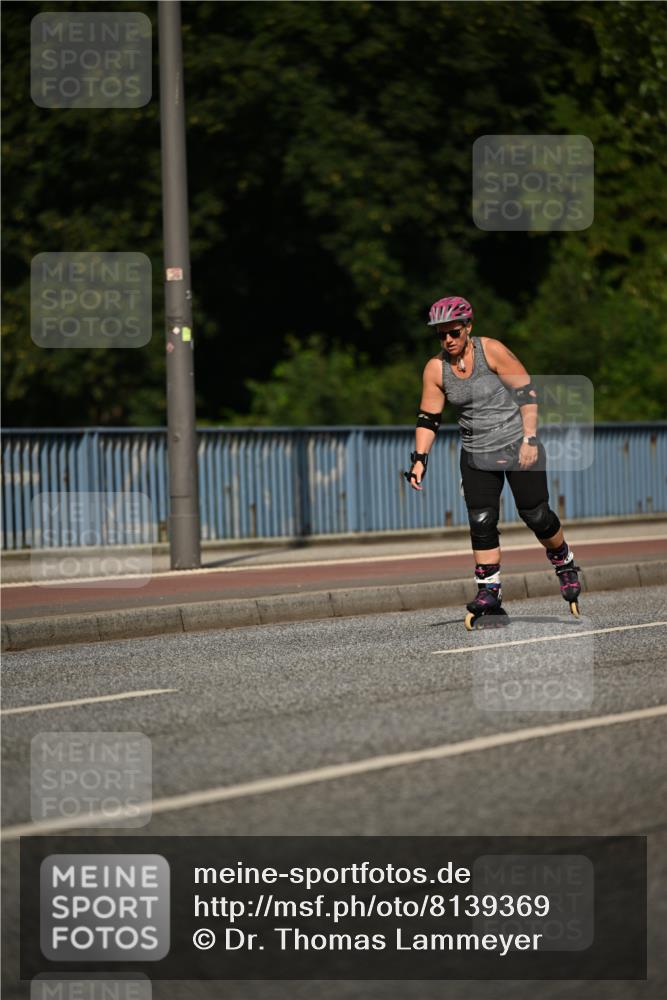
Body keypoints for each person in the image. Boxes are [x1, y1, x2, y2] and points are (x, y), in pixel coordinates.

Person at [405, 295, 581, 627]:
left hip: (517, 443)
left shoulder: (492, 351)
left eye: (454, 332)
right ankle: (490, 592)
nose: (448, 340)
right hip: (476, 451)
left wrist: (529, 438)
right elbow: (428, 419)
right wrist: (419, 460)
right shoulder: (435, 369)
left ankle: (564, 561)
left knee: (536, 514)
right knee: (482, 519)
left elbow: (527, 392)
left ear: (468, 327)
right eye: (441, 334)